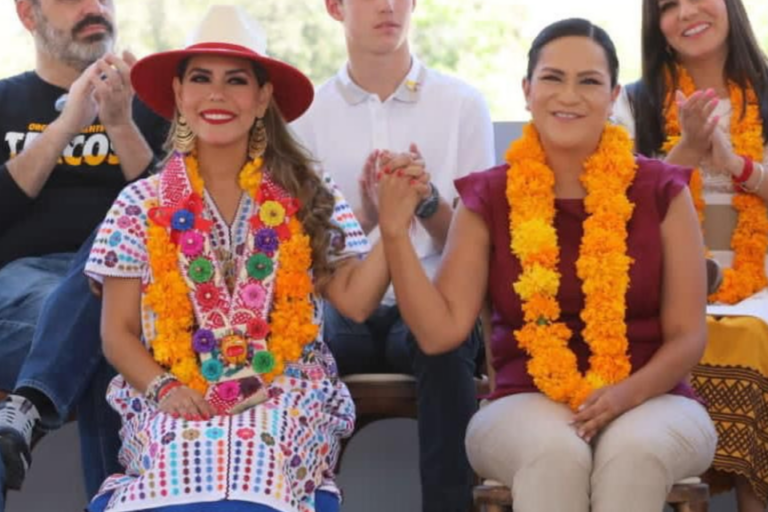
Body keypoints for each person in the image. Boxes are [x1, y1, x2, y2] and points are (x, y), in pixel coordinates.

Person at [82, 5, 423, 512]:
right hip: (176, 394)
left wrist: (394, 227)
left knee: (258, 449)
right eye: (201, 78)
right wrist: (167, 388)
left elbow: (353, 301)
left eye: (236, 80)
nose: (217, 95)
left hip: (282, 391)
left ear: (262, 98)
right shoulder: (140, 204)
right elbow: (118, 333)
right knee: (180, 452)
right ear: (178, 94)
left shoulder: (306, 193)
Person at [378, 17, 719, 512]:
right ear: (527, 90)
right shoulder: (488, 195)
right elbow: (440, 333)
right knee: (555, 452)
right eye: (553, 78)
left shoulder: (662, 190)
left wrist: (622, 396)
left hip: (656, 397)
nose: (570, 96)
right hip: (524, 400)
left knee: (632, 452)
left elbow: (688, 335)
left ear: (613, 95)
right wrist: (394, 232)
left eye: (589, 81)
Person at [291, 1, 494, 509]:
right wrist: (366, 216)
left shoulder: (462, 105)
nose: (388, 6)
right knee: (298, 347)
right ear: (335, 7)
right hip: (340, 304)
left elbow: (472, 248)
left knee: (444, 345)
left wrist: (424, 204)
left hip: (431, 296)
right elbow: (302, 253)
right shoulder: (303, 116)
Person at [0, 0, 167, 498]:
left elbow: (175, 222)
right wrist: (67, 125)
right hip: (22, 288)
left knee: (115, 246)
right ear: (28, 15)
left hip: (128, 291)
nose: (95, 7)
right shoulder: (6, 101)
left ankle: (25, 408)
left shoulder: (157, 108)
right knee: (109, 335)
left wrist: (120, 124)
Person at [612, 0, 768, 509]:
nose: (687, 13)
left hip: (762, 296)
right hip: (667, 297)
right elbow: (615, 210)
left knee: (754, 337)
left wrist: (734, 164)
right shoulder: (633, 104)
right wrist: (686, 150)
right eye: (668, 5)